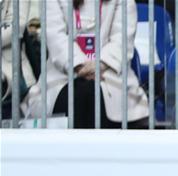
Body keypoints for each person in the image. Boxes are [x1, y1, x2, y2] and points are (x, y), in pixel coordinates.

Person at [22, 0, 149, 128]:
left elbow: (122, 39)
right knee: (74, 96)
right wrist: (79, 65)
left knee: (98, 96)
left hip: (110, 72)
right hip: (62, 76)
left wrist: (100, 64)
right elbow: (55, 36)